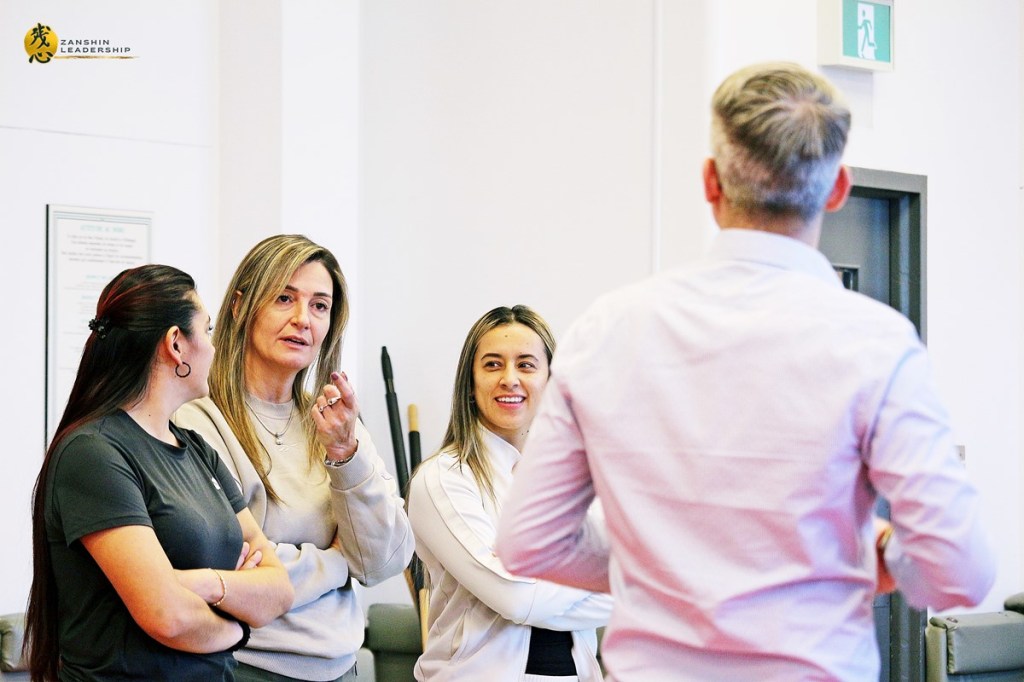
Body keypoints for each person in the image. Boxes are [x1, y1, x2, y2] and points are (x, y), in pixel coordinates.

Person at [495, 62, 996, 681]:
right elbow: (963, 569)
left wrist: (659, 565)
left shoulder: (609, 329)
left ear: (710, 182)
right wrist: (876, 555)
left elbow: (527, 542)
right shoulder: (877, 345)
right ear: (838, 189)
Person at [25, 264, 294, 682]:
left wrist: (202, 584)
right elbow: (166, 616)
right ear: (176, 344)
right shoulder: (94, 453)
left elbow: (278, 591)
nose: (214, 347)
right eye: (207, 331)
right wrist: (237, 627)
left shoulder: (198, 451)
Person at [174, 234, 414, 682]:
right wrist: (337, 561)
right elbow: (223, 568)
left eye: (320, 306)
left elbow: (385, 561)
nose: (303, 319)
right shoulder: (195, 421)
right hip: (244, 667)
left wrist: (347, 456)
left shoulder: (335, 424)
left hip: (342, 668)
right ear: (241, 306)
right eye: (285, 298)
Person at [408, 305, 612, 682]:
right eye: (492, 364)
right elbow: (513, 596)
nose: (510, 379)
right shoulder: (443, 480)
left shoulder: (578, 478)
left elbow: (624, 594)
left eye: (527, 364)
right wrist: (587, 576)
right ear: (470, 383)